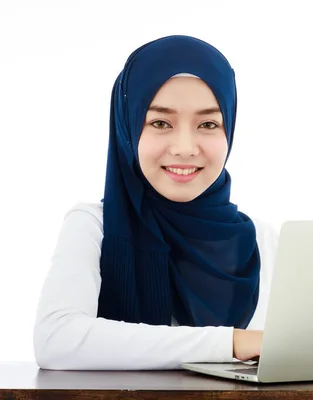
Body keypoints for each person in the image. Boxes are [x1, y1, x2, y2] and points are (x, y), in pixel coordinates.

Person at [33, 35, 278, 370]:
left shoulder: (261, 239)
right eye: (160, 122)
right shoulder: (94, 225)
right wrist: (230, 342)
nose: (184, 147)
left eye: (208, 123)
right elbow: (56, 341)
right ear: (128, 128)